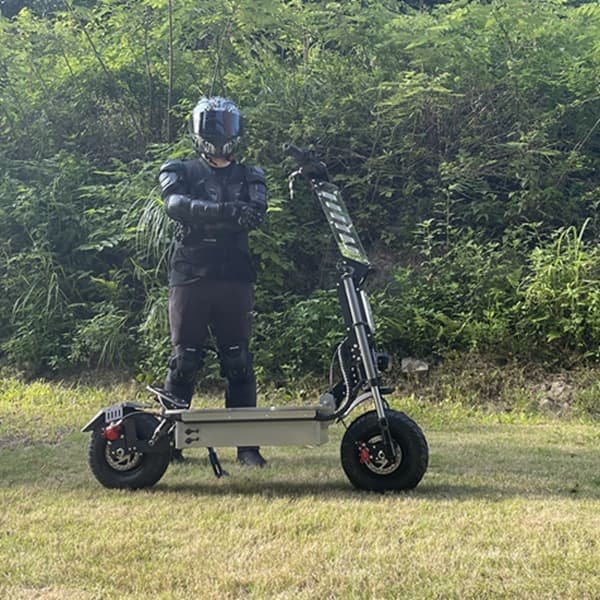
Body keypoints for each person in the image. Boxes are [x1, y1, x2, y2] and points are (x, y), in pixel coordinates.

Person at [158, 96, 267, 467]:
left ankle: (247, 447)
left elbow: (255, 215)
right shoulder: (179, 169)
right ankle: (169, 444)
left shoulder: (251, 175)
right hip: (191, 274)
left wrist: (204, 217)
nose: (220, 135)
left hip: (234, 274)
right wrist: (225, 212)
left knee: (238, 359)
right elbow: (175, 205)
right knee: (184, 359)